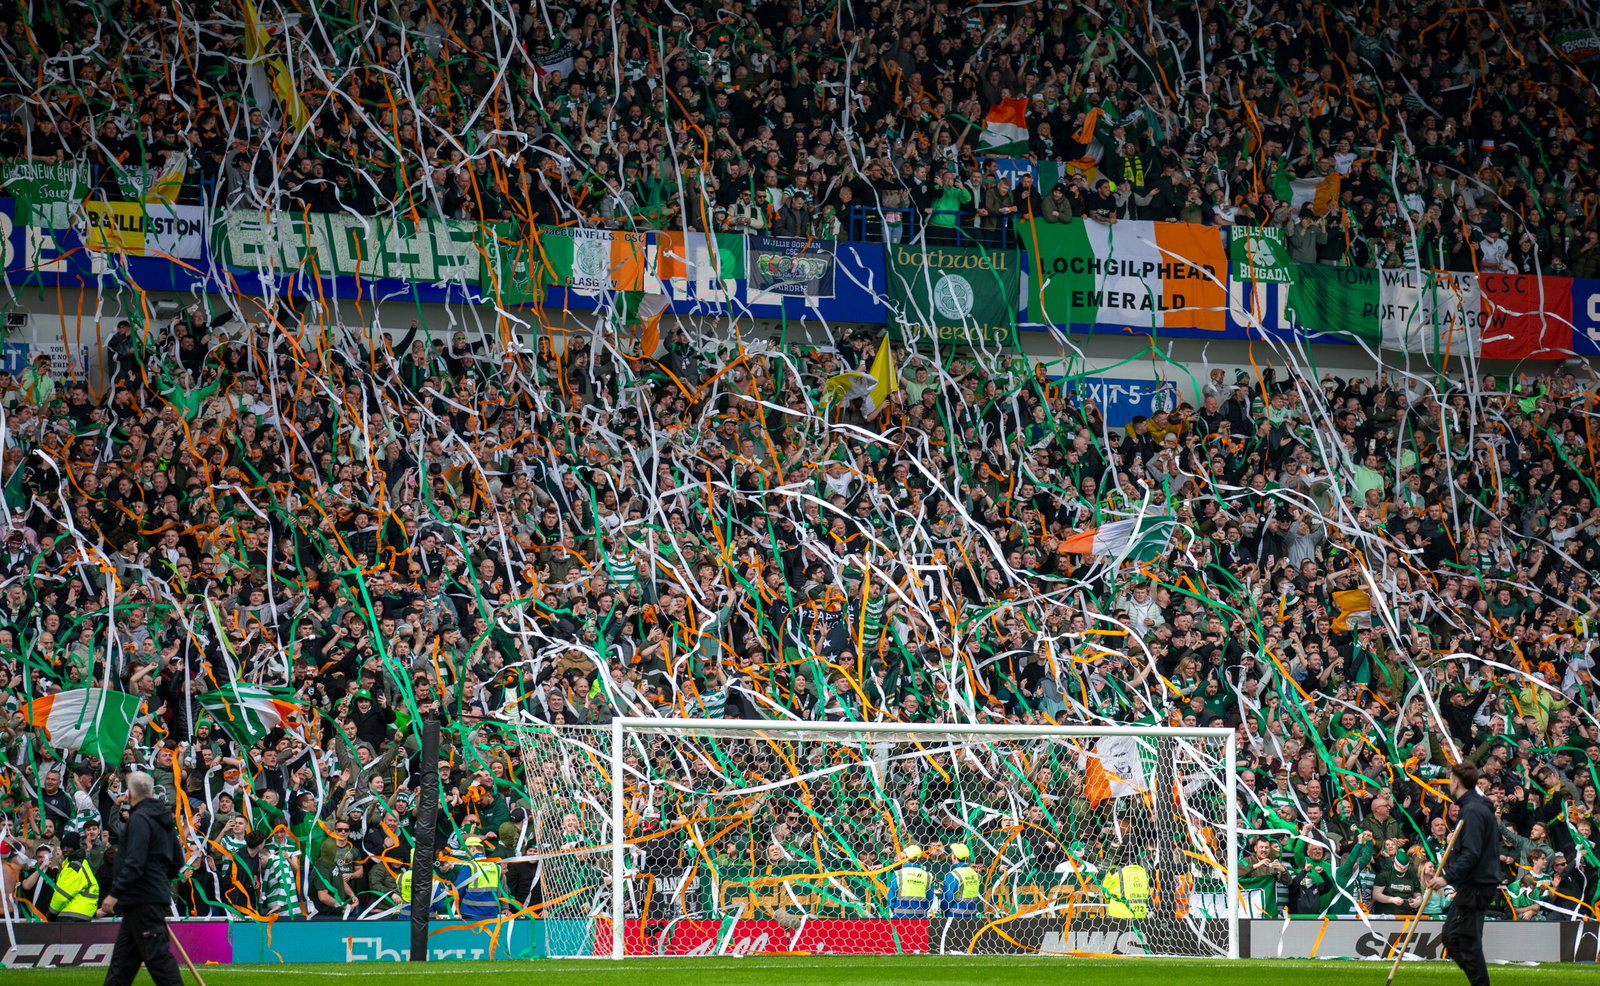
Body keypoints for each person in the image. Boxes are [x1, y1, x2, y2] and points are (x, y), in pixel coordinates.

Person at [102, 771, 184, 986]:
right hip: (142, 899)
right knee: (121, 966)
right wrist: (160, 883)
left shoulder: (139, 819)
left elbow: (135, 861)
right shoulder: (164, 819)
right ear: (150, 790)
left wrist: (114, 894)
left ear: (129, 794)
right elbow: (178, 861)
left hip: (142, 899)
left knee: (159, 960)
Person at [1428, 762, 1502, 986]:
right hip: (1475, 883)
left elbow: (1471, 853)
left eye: (1450, 779)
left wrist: (1446, 877)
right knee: (1454, 937)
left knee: (1463, 941)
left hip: (1477, 884)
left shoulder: (1472, 810)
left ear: (1456, 782)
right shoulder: (1476, 806)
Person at [889, 844, 933, 918]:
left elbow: (891, 897)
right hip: (920, 916)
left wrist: (896, 910)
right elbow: (930, 898)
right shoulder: (928, 875)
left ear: (906, 858)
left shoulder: (898, 874)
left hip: (900, 916)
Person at [940, 843, 983, 917]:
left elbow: (947, 899)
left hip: (955, 915)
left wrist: (943, 913)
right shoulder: (975, 874)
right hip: (972, 914)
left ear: (954, 856)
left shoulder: (953, 875)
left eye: (952, 854)